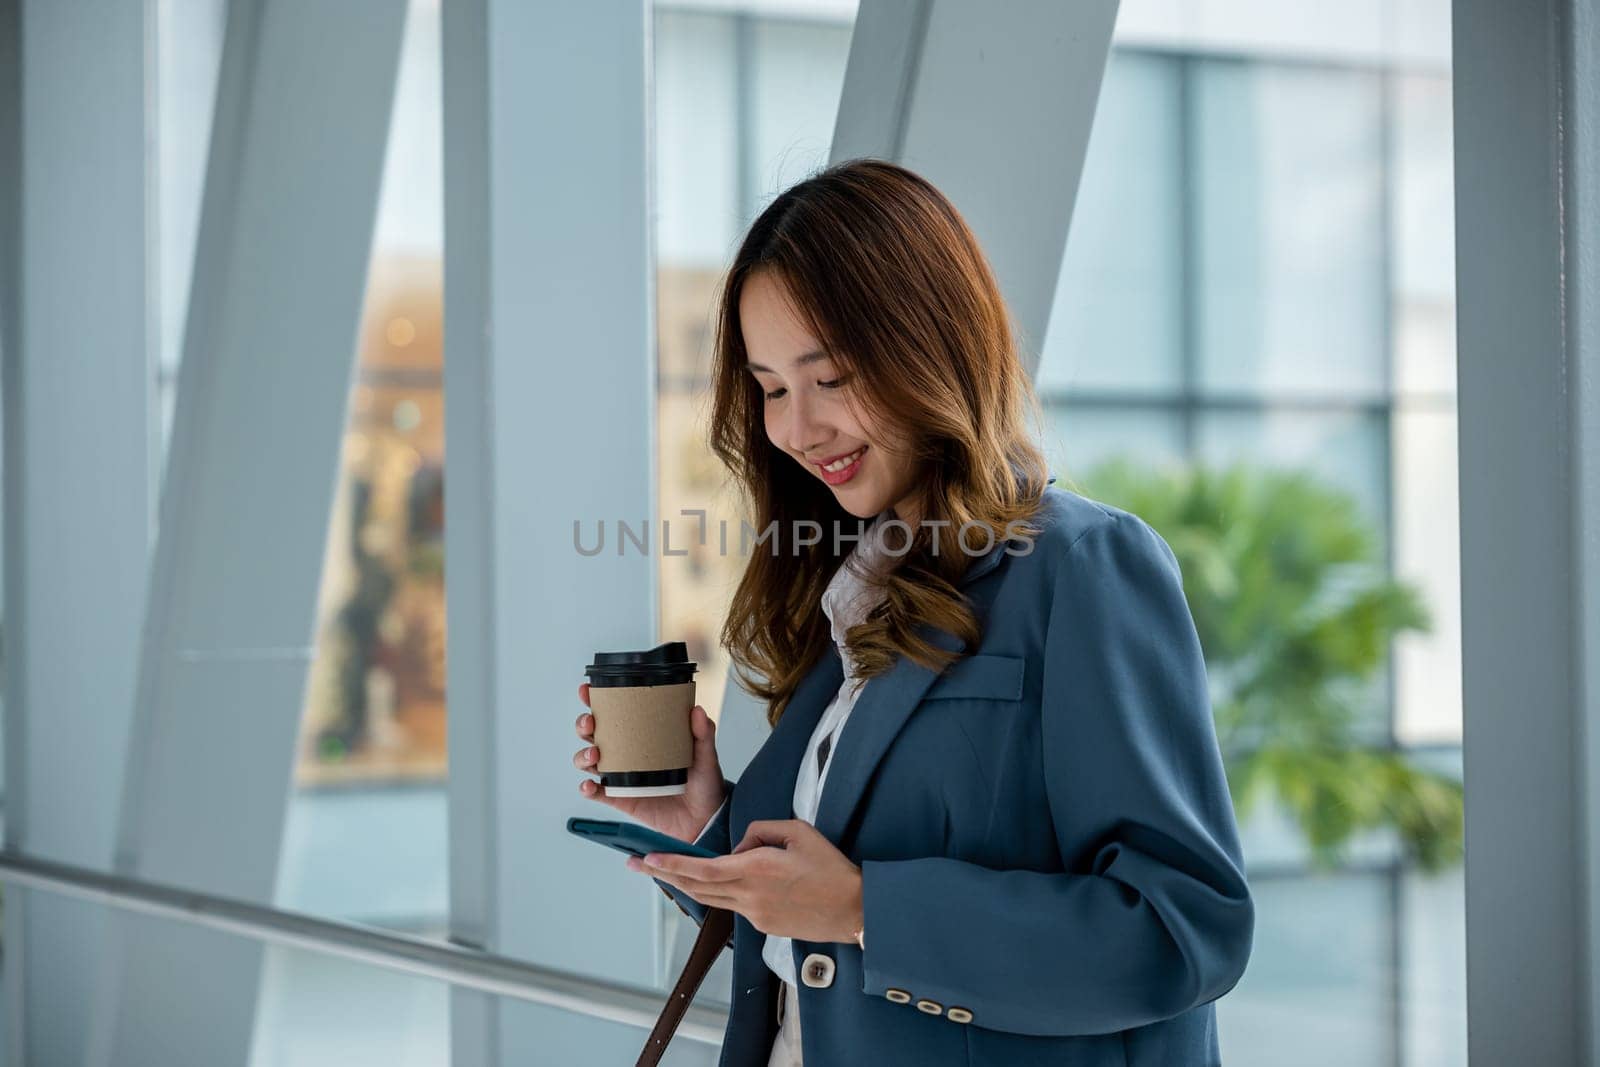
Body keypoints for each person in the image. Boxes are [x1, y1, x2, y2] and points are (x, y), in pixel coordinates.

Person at [572, 158, 1254, 1066]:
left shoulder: (1083, 567)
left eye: (832, 376)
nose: (798, 428)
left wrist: (865, 908)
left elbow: (1185, 929)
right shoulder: (853, 586)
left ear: (929, 344)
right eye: (772, 388)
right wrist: (704, 828)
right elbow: (805, 930)